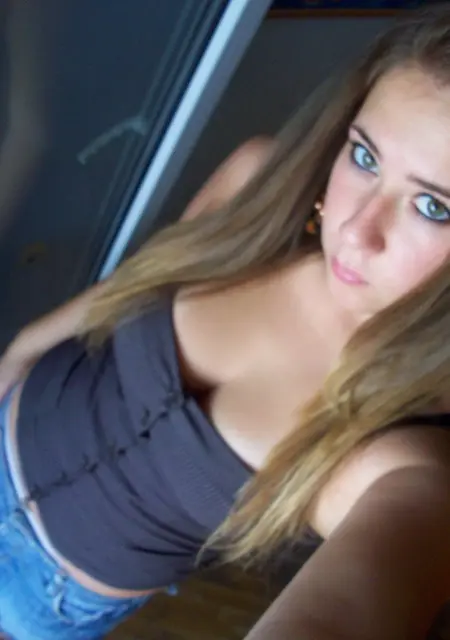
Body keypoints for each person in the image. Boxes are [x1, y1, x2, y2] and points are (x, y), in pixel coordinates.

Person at [1, 4, 450, 639]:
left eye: (433, 207)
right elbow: (129, 287)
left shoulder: (402, 436)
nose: (356, 229)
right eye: (365, 157)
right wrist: (21, 351)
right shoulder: (258, 187)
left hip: (42, 599)